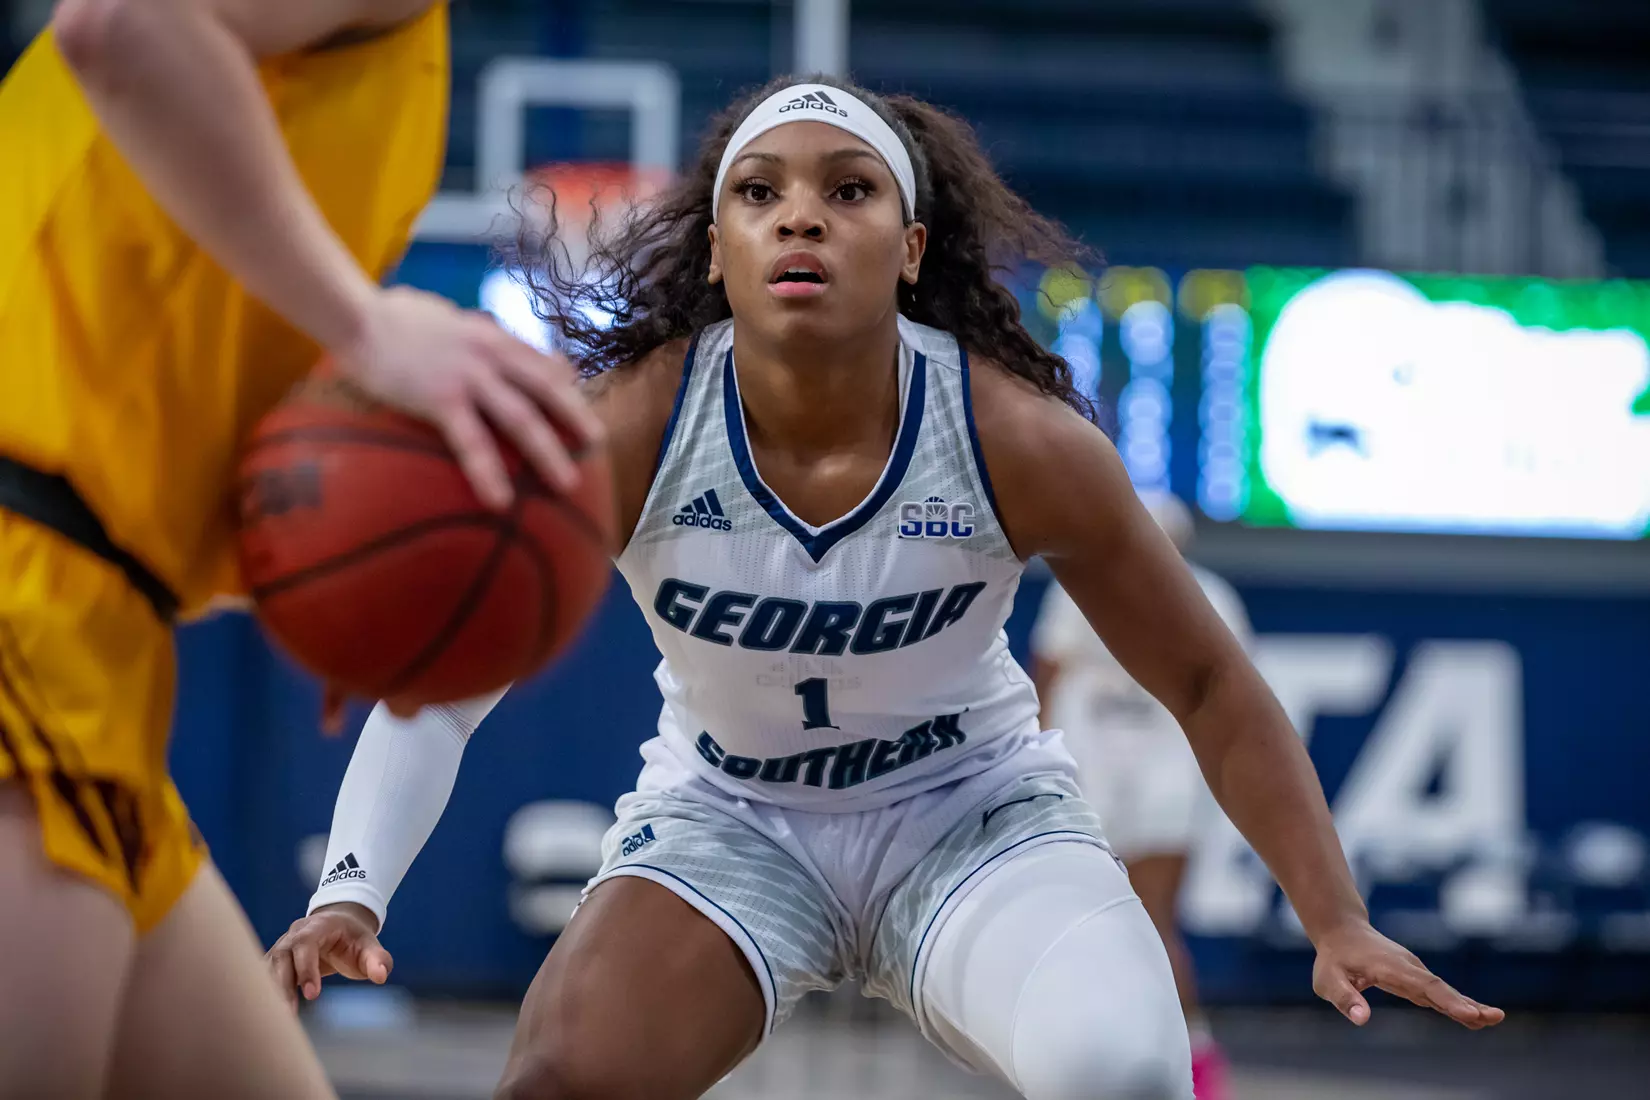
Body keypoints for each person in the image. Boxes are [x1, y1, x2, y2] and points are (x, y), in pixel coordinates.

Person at [269, 75, 1503, 1100]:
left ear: (911, 249)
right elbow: (449, 684)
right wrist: (352, 887)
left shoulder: (1018, 438)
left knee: (1126, 1071)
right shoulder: (631, 428)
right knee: (557, 1080)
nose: (799, 218)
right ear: (719, 242)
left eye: (846, 191)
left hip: (971, 812)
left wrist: (1334, 912)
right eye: (761, 195)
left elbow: (1204, 677)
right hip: (729, 817)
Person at [0, 1, 593, 1095]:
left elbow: (155, 344)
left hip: (96, 625)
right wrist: (364, 326)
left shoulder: (401, 62)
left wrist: (317, 588)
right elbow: (121, 23)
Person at [1031, 492, 1249, 1100]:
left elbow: (1234, 704)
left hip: (1164, 771)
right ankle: (1081, 1057)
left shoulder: (1214, 602)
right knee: (1078, 921)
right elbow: (1046, 675)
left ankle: (1192, 1060)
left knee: (1153, 921)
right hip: (1088, 768)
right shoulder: (1079, 594)